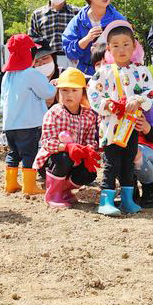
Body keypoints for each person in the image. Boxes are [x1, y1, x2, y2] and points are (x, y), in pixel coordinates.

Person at [87, 22, 153, 216]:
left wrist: (139, 99)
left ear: (134, 46)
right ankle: (106, 200)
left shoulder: (141, 71)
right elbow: (93, 93)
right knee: (111, 163)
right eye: (115, 45)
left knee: (128, 162)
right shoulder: (103, 72)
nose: (121, 49)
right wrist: (106, 105)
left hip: (131, 126)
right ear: (108, 49)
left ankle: (128, 199)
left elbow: (151, 92)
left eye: (126, 44)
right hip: (110, 127)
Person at [1, 34, 56, 195]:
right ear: (29, 55)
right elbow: (47, 93)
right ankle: (29, 186)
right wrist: (55, 86)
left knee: (13, 153)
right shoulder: (31, 74)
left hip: (9, 124)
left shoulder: (7, 76)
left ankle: (10, 183)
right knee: (29, 154)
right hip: (28, 123)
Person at [38, 68, 100, 209]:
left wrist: (89, 150)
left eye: (74, 90)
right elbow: (47, 142)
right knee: (64, 157)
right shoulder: (54, 113)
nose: (69, 95)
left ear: (83, 93)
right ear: (58, 92)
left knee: (90, 172)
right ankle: (52, 194)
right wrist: (67, 147)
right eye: (64, 90)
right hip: (51, 161)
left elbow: (90, 140)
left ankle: (64, 190)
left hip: (75, 160)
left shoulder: (89, 115)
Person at [62, 0, 126, 76]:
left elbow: (128, 47)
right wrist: (87, 39)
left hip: (114, 74)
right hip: (85, 74)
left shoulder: (118, 19)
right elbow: (70, 52)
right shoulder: (78, 21)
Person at [28, 0, 78, 69]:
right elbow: (32, 41)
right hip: (46, 61)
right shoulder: (38, 14)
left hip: (72, 59)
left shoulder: (76, 13)